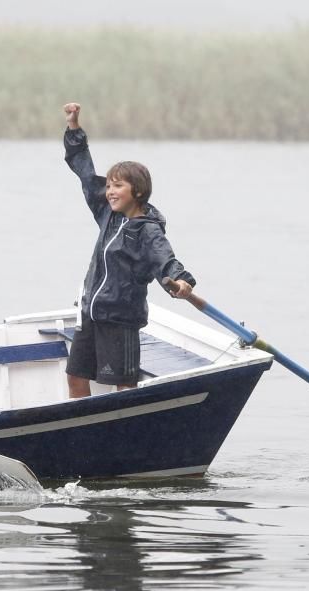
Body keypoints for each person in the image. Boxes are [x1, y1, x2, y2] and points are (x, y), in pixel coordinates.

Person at [62, 102, 196, 398]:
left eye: (117, 186)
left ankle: (121, 433)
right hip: (91, 313)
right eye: (108, 185)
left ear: (136, 191)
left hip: (120, 319)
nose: (109, 191)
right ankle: (86, 431)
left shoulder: (148, 230)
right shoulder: (108, 214)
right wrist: (74, 129)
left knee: (123, 388)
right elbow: (84, 172)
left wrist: (182, 281)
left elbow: (166, 261)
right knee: (75, 377)